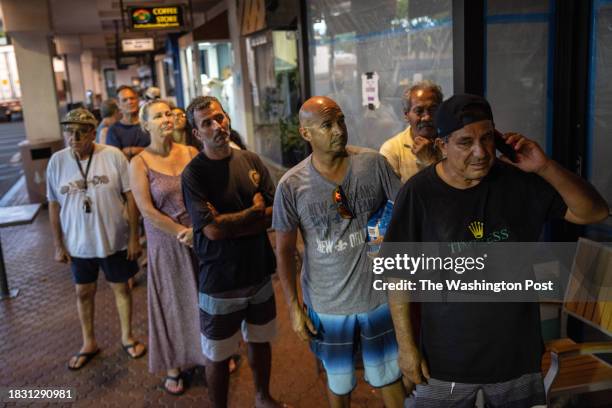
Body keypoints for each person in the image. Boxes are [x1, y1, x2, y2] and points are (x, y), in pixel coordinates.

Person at [384, 94, 609, 407]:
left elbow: (594, 212)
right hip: (445, 358)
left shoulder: (519, 183)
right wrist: (406, 347)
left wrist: (544, 167)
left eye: (487, 138)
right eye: (465, 142)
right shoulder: (420, 193)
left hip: (516, 358)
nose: (480, 152)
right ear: (442, 145)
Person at [273, 96, 405, 407]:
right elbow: (284, 252)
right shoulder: (292, 186)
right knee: (339, 381)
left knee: (390, 376)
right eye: (327, 125)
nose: (338, 130)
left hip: (377, 299)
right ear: (306, 133)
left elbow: (404, 214)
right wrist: (294, 308)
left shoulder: (373, 165)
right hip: (328, 304)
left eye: (341, 121)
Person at [181, 96, 283, 408]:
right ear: (197, 134)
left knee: (260, 340)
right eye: (207, 123)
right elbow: (210, 230)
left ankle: (263, 397)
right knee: (219, 354)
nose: (217, 126)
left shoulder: (251, 161)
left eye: (219, 118)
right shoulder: (194, 174)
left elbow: (274, 213)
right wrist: (253, 213)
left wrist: (228, 223)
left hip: (258, 271)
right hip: (220, 279)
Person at [47, 108, 147, 370]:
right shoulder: (57, 162)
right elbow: (53, 205)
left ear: (93, 132)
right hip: (79, 244)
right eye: (69, 130)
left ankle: (127, 336)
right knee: (83, 292)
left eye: (80, 131)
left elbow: (131, 197)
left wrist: (135, 238)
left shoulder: (112, 156)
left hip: (114, 239)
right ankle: (88, 342)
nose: (74, 136)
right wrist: (58, 244)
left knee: (121, 288)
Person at [129, 100, 206, 395]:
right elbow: (146, 210)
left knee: (203, 297)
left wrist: (198, 229)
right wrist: (179, 232)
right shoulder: (140, 162)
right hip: (166, 243)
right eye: (157, 116)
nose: (166, 119)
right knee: (171, 301)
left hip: (198, 237)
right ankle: (173, 364)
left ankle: (206, 353)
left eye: (168, 113)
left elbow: (204, 192)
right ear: (145, 125)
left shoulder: (189, 152)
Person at [380, 80, 443, 183]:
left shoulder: (453, 143)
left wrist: (430, 161)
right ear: (406, 115)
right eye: (419, 111)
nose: (426, 117)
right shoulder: (392, 150)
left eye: (433, 109)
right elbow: (396, 197)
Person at [107, 85, 151, 160]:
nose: (130, 102)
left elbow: (158, 152)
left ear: (138, 100)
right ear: (118, 105)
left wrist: (131, 150)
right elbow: (115, 159)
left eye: (132, 98)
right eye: (124, 100)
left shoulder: (149, 124)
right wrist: (145, 151)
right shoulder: (113, 130)